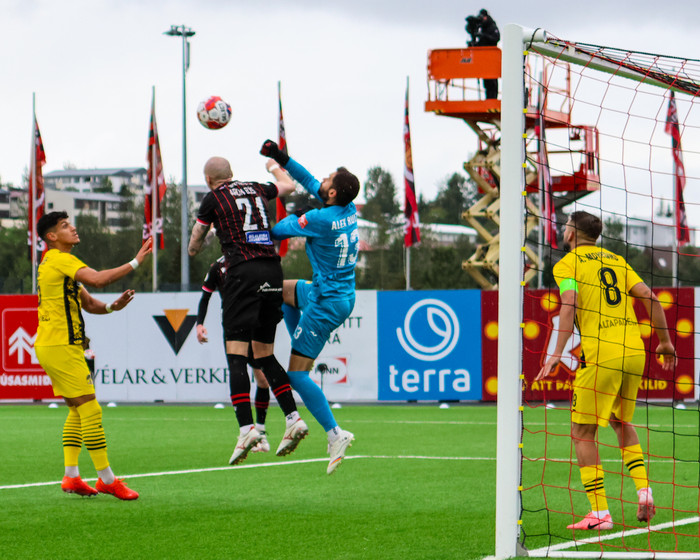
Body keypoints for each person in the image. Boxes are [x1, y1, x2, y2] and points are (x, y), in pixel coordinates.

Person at [536, 211, 676, 530]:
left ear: (572, 234)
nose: (563, 231)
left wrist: (556, 353)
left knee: (582, 432)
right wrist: (666, 343)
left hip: (601, 354)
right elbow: (651, 297)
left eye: (565, 226)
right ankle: (644, 491)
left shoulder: (567, 264)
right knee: (620, 420)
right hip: (634, 350)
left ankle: (599, 513)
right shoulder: (617, 260)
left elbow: (569, 304)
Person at [188, 156, 308, 466]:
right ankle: (293, 418)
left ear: (209, 180)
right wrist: (272, 166)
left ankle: (246, 430)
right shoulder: (256, 187)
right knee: (265, 355)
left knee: (237, 356)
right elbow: (288, 186)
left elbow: (196, 240)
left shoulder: (213, 198)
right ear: (232, 173)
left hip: (242, 273)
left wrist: (195, 246)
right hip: (272, 271)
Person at [34, 211, 153, 500]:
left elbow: (88, 303)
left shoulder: (56, 263)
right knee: (91, 409)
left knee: (77, 409)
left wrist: (112, 307)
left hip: (56, 345)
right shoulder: (59, 259)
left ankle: (72, 476)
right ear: (52, 237)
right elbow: (98, 279)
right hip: (60, 345)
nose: (73, 228)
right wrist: (136, 261)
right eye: (65, 226)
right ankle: (107, 479)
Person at [260, 139, 359, 475]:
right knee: (280, 291)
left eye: (328, 179)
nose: (323, 179)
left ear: (332, 193)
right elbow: (308, 179)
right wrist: (280, 157)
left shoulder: (319, 219)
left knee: (296, 374)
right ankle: (299, 343)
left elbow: (277, 231)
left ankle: (335, 434)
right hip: (334, 293)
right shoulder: (347, 208)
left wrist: (286, 212)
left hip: (325, 302)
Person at [196, 255, 272, 453]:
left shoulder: (251, 260)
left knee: (262, 379)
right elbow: (205, 297)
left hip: (255, 325)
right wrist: (199, 324)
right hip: (233, 325)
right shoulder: (217, 267)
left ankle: (260, 432)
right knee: (238, 371)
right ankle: (247, 429)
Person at [465, 8, 500, 99]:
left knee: (492, 81)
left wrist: (484, 36)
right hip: (484, 58)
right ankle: (488, 99)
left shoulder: (492, 27)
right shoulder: (482, 29)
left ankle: (493, 98)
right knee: (486, 81)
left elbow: (496, 38)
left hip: (491, 57)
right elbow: (481, 43)